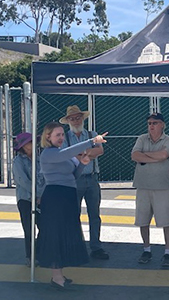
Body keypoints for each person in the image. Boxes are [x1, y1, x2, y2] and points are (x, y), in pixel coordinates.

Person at [37, 122, 107, 289]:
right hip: (55, 197)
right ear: (48, 137)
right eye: (57, 135)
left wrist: (83, 163)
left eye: (62, 134)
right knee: (56, 235)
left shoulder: (62, 154)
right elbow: (68, 152)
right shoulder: (48, 154)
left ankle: (58, 275)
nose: (61, 138)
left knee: (64, 235)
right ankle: (56, 276)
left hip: (67, 196)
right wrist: (91, 141)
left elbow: (73, 176)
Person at [60, 105, 109, 260]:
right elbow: (67, 156)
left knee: (94, 215)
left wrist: (81, 153)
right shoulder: (65, 137)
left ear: (83, 118)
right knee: (73, 215)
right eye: (72, 118)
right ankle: (77, 247)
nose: (75, 121)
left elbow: (99, 150)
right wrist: (87, 152)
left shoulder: (92, 134)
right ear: (68, 120)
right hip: (74, 180)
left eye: (78, 117)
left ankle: (96, 247)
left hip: (92, 178)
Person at [131, 112, 169, 267]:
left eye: (155, 123)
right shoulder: (142, 138)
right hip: (143, 186)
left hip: (162, 187)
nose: (151, 126)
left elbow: (164, 155)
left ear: (162, 124)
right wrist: (153, 158)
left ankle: (168, 251)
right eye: (149, 123)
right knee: (143, 220)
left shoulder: (168, 140)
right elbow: (135, 155)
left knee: (166, 221)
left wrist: (146, 156)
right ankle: (146, 249)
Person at [12, 132, 45, 267]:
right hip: (25, 198)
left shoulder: (40, 158)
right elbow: (23, 181)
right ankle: (30, 257)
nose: (32, 145)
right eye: (29, 143)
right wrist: (37, 194)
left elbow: (45, 177)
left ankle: (40, 253)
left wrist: (41, 195)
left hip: (41, 197)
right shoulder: (18, 161)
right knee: (29, 228)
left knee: (44, 226)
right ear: (23, 146)